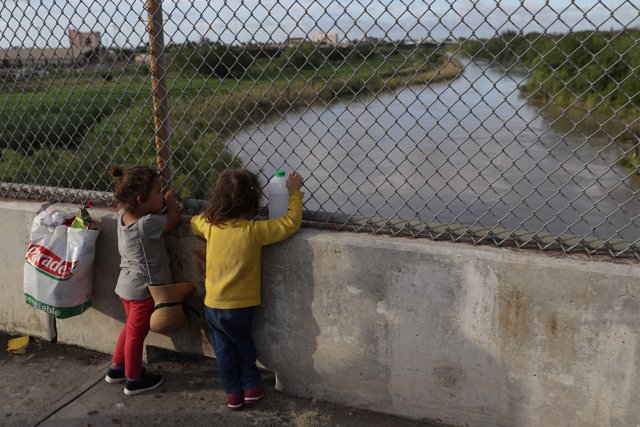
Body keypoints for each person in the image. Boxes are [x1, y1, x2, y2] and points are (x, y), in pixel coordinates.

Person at [191, 168, 304, 411]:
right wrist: (294, 194)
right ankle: (251, 386)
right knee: (243, 345)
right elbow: (289, 223)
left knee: (223, 350)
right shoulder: (254, 232)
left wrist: (209, 216)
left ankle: (233, 393)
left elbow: (194, 223)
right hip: (241, 307)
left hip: (213, 305)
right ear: (253, 202)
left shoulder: (211, 226)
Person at [104, 165, 181, 396]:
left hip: (126, 286)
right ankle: (134, 379)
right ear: (141, 199)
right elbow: (173, 220)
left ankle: (117, 368)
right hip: (143, 292)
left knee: (130, 329)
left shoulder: (122, 215)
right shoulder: (148, 224)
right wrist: (171, 199)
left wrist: (158, 198)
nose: (162, 194)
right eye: (158, 191)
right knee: (137, 335)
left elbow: (146, 208)